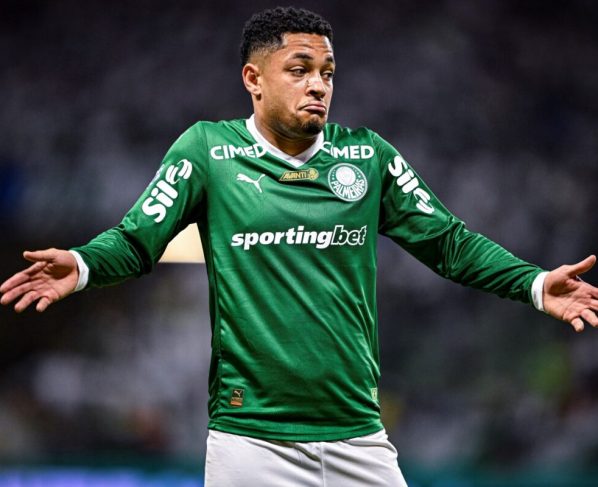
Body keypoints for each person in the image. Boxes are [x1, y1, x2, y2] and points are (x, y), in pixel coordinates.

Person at [1, 6, 597, 486]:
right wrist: (83, 265)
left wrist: (533, 283)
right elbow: (138, 240)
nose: (318, 85)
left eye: (328, 73)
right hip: (250, 442)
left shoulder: (367, 156)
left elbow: (449, 242)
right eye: (300, 68)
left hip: (357, 436)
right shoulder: (207, 151)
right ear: (253, 79)